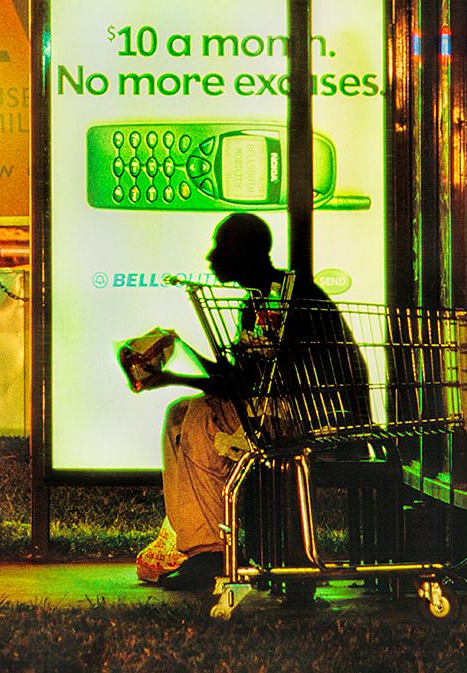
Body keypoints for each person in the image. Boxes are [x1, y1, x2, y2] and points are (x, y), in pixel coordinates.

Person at [130, 211, 370, 592]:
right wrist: (179, 366)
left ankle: (210, 550)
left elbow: (246, 383)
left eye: (222, 246)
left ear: (248, 251)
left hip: (315, 415)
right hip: (291, 409)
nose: (211, 256)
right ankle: (205, 547)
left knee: (199, 417)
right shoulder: (261, 299)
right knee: (180, 415)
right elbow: (243, 377)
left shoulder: (285, 298)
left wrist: (174, 377)